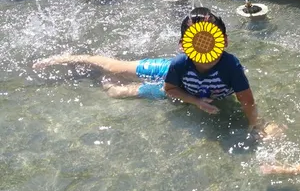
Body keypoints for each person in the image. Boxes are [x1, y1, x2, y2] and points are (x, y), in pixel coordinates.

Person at [33, 8, 274, 133]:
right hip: (173, 78)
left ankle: (103, 80)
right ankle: (75, 59)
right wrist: (195, 101)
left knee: (115, 93)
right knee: (115, 66)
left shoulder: (231, 66)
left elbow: (248, 102)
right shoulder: (179, 63)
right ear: (183, 45)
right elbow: (170, 89)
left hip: (181, 89)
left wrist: (256, 125)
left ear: (225, 42)